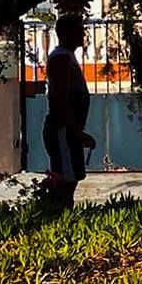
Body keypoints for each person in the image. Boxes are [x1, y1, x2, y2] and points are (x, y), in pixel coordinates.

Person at [42, 15, 91, 208]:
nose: (83, 34)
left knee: (71, 177)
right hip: (62, 129)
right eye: (78, 30)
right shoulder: (61, 59)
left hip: (68, 130)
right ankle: (58, 217)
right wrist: (76, 131)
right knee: (65, 180)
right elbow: (60, 97)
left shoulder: (67, 57)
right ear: (66, 33)